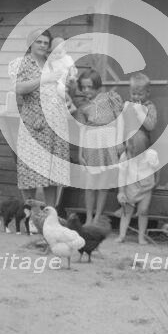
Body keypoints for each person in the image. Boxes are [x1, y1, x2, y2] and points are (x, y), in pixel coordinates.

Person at [14, 29, 70, 206]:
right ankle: (30, 213)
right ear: (31, 43)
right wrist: (44, 78)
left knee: (53, 173)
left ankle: (50, 214)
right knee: (29, 170)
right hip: (34, 123)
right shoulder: (23, 63)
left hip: (55, 124)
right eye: (39, 42)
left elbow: (62, 85)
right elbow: (19, 88)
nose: (43, 46)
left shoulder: (52, 63)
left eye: (46, 43)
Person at [75, 68, 124, 225]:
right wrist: (80, 152)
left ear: (97, 85)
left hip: (108, 141)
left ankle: (97, 217)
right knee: (90, 184)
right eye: (83, 87)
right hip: (91, 143)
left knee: (103, 184)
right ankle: (89, 217)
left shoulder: (110, 98)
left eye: (90, 86)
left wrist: (119, 141)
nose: (86, 90)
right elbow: (82, 129)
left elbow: (120, 120)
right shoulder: (83, 106)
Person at [116, 146, 159, 245]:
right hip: (130, 187)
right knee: (127, 211)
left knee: (143, 211)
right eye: (131, 152)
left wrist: (157, 181)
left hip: (146, 187)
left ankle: (141, 237)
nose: (132, 155)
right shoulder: (125, 156)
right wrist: (121, 191)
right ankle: (122, 235)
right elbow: (122, 175)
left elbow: (157, 168)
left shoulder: (151, 155)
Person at [122, 72, 158, 156]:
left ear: (148, 93)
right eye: (133, 94)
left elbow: (151, 126)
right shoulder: (127, 105)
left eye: (140, 94)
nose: (136, 97)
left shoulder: (149, 107)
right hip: (126, 143)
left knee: (138, 136)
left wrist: (140, 112)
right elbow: (121, 124)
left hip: (141, 144)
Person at [47, 36, 78, 104]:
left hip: (67, 79)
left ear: (65, 50)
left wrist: (72, 76)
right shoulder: (52, 60)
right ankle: (66, 100)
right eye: (54, 53)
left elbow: (72, 68)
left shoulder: (67, 58)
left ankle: (69, 100)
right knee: (58, 88)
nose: (57, 55)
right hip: (58, 80)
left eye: (59, 52)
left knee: (73, 85)